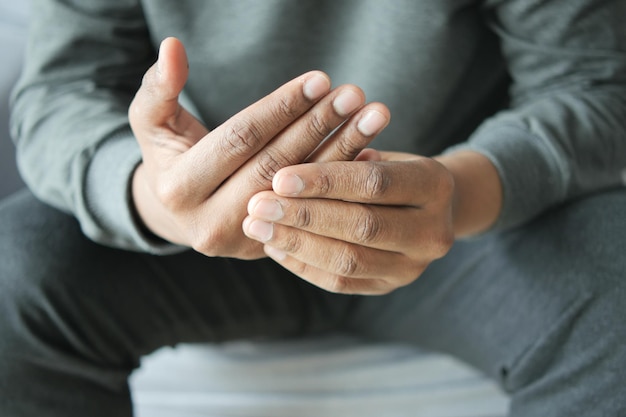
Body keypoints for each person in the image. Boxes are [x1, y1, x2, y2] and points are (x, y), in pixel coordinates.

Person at [1, 0, 625, 416]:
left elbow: (590, 85)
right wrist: (157, 197)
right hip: (191, 236)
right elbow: (62, 91)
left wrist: (455, 195)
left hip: (461, 225)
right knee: (10, 274)